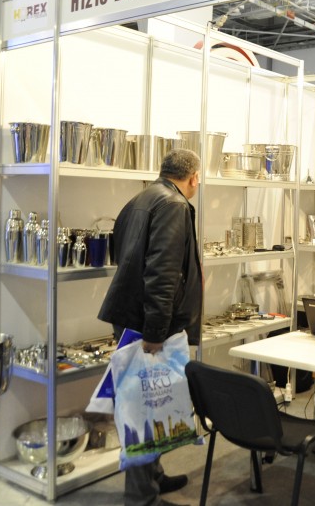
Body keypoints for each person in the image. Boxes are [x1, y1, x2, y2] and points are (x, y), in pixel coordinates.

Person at [97, 148, 203, 506]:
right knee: (144, 408)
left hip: (133, 317)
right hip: (149, 325)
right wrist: (156, 331)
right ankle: (142, 495)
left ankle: (153, 476)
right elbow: (162, 272)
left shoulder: (141, 199)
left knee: (152, 402)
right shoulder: (173, 204)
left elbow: (124, 253)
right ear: (193, 177)